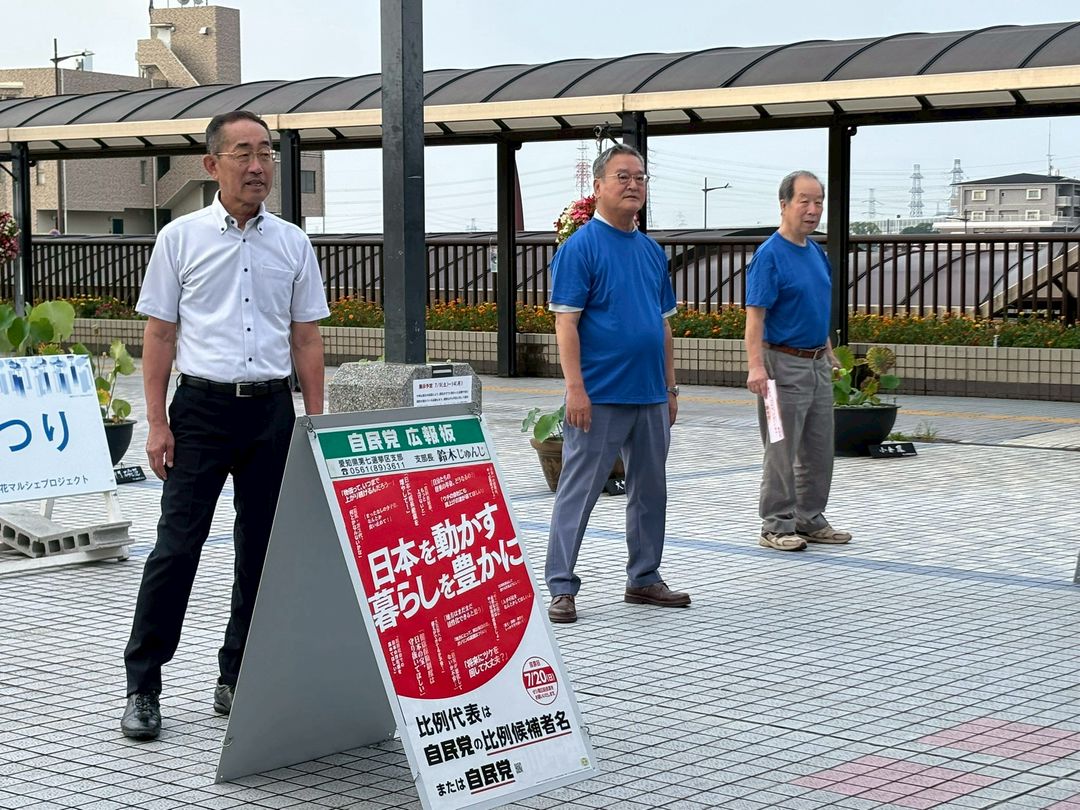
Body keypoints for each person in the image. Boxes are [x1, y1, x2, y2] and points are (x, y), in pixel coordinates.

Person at [120, 110, 329, 740]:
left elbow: (306, 338)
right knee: (176, 547)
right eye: (244, 153)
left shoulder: (292, 242)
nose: (258, 165)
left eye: (266, 152)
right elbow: (160, 335)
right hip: (200, 412)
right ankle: (143, 685)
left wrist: (317, 424)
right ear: (212, 164)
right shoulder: (179, 239)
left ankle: (237, 675)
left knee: (261, 552)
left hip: (270, 412)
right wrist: (156, 422)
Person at [544, 143, 690, 625]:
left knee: (650, 490)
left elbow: (663, 325)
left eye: (640, 177)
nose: (633, 185)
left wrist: (670, 388)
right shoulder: (580, 248)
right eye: (623, 176)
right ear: (598, 186)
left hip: (650, 393)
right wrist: (575, 389)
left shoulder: (650, 251)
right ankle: (561, 586)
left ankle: (644, 578)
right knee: (579, 489)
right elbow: (566, 323)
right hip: (599, 395)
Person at [744, 170, 851, 552]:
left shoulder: (816, 253)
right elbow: (755, 317)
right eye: (804, 201)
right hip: (779, 366)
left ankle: (809, 518)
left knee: (819, 450)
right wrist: (756, 366)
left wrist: (828, 349)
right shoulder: (769, 256)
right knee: (781, 448)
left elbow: (813, 307)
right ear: (784, 204)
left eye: (818, 202)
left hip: (816, 363)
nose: (813, 209)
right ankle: (775, 525)